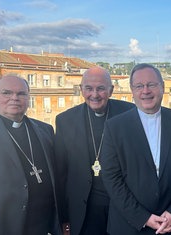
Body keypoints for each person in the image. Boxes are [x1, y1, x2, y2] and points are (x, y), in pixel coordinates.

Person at [100, 63, 171, 235]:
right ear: (132, 90)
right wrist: (143, 218)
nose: (145, 91)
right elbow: (111, 177)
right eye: (139, 86)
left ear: (162, 87)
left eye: (151, 84)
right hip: (130, 226)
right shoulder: (114, 127)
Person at [54, 66, 134, 235]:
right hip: (84, 212)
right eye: (89, 89)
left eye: (101, 89)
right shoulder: (65, 120)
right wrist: (63, 218)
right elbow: (61, 174)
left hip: (122, 208)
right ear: (81, 90)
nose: (94, 95)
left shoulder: (130, 113)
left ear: (111, 90)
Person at [0, 74, 60, 234]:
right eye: (7, 93)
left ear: (28, 97)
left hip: (42, 223)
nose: (14, 98)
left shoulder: (45, 129)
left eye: (21, 93)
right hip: (0, 224)